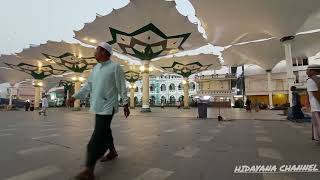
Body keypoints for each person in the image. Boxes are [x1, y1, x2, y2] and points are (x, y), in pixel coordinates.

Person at [71, 42, 130, 180]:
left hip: (108, 107)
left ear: (104, 52)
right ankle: (113, 152)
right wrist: (74, 97)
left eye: (96, 50)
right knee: (106, 131)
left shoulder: (115, 68)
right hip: (98, 106)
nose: (95, 53)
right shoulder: (95, 69)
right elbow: (87, 86)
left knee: (96, 138)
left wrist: (125, 103)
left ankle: (89, 170)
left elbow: (122, 86)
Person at [306, 64, 320, 142]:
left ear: (313, 71)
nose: (306, 72)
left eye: (307, 70)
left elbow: (315, 94)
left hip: (317, 106)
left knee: (317, 123)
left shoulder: (311, 80)